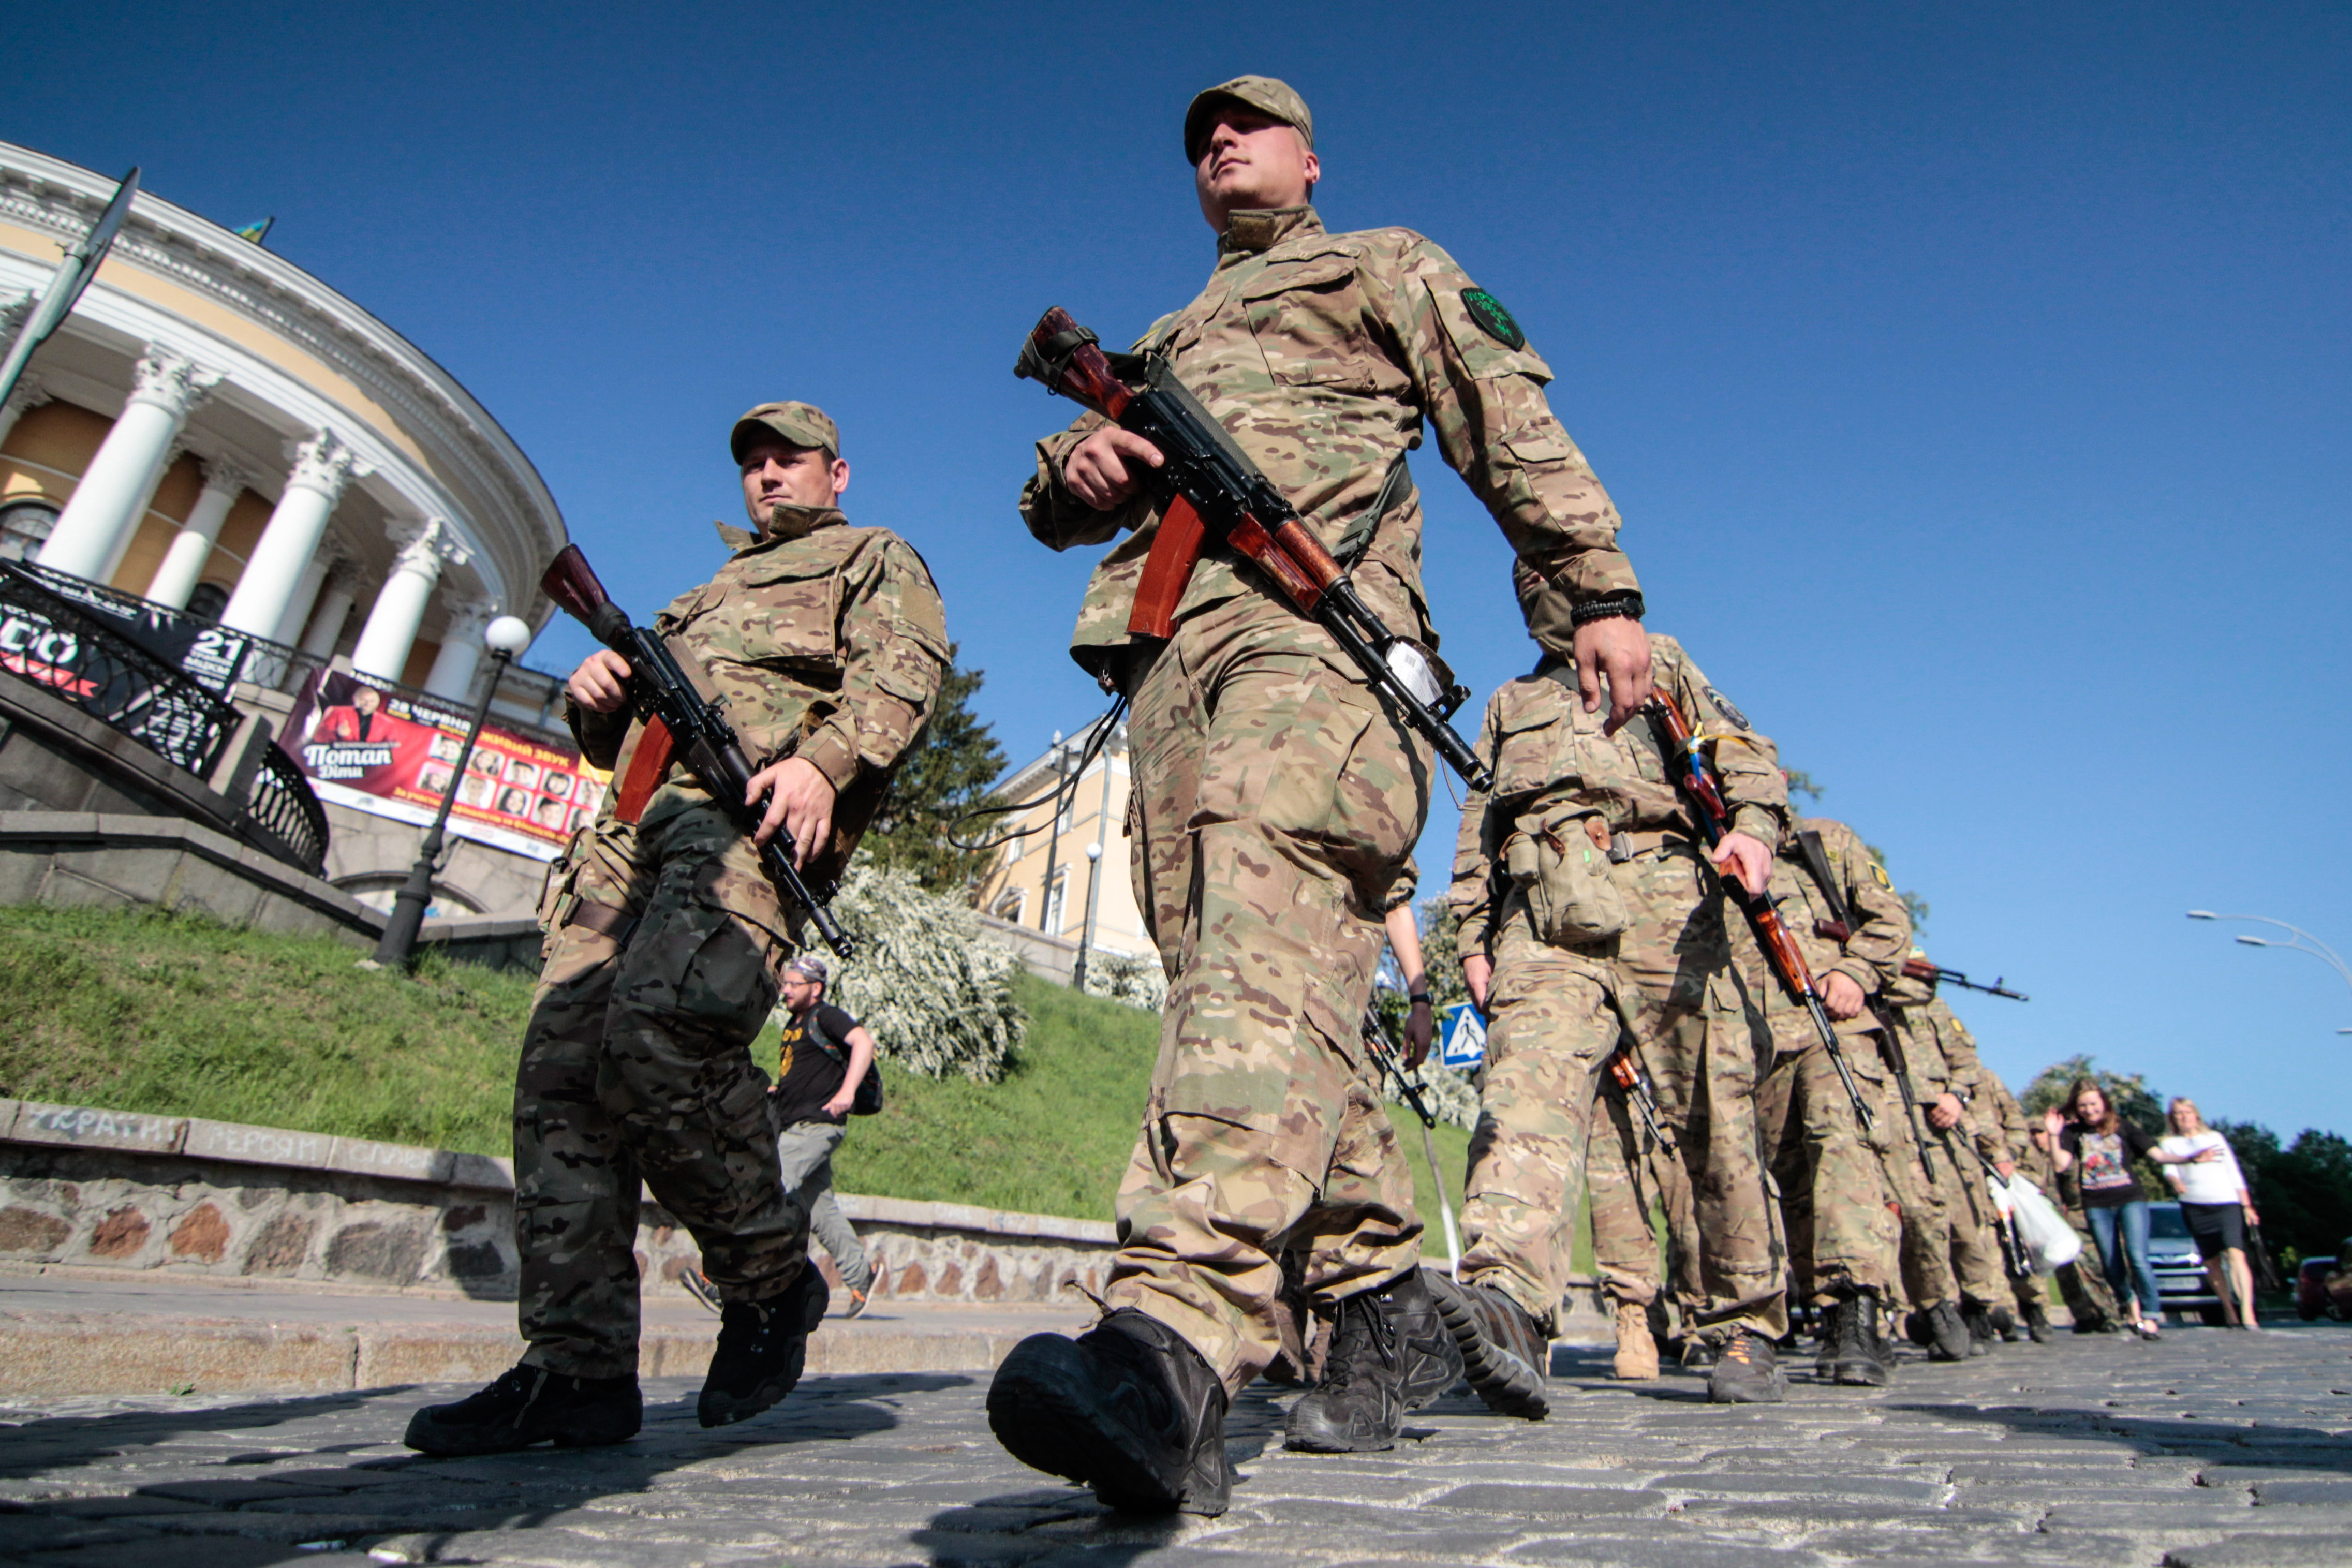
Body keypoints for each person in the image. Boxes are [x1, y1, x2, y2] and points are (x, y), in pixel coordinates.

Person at [987, 74, 1654, 1516]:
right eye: (1198, 137)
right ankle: (1369, 1299)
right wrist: (1082, 461)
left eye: (1246, 125)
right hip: (1170, 666)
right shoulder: (1167, 337)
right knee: (1235, 975)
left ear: (1308, 155)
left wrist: (1594, 584)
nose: (1217, 144)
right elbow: (1050, 504)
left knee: (1258, 956)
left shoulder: (1384, 264)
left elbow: (1504, 415)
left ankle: (1172, 1342)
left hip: (1320, 644)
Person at [403, 401, 948, 1455]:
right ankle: (575, 1369)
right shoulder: (699, 597)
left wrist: (822, 766)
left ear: (839, 473)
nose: (767, 475)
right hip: (628, 830)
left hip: (741, 827)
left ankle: (768, 1280)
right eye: (752, 462)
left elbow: (903, 673)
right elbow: (620, 735)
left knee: (658, 1035)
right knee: (561, 1080)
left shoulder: (873, 557)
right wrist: (598, 697)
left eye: (789, 459)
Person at [1447, 598, 1788, 1409]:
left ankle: (1742, 1320)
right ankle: (1509, 1306)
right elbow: (1479, 817)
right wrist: (1470, 933)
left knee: (1711, 1108)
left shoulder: (1659, 658)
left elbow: (1739, 747)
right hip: (1543, 906)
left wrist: (1753, 827)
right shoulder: (1510, 702)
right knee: (1522, 1096)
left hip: (1663, 892)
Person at [1745, 816, 1910, 1387]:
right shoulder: (1706, 844)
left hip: (1831, 1027)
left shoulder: (1822, 842)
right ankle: (1822, 1305)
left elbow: (1888, 918)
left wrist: (1856, 970)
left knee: (1843, 1156)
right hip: (1756, 1044)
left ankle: (1855, 1316)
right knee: (1791, 1186)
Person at [2046, 1079, 2215, 1339]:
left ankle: (2150, 1316)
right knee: (2111, 1263)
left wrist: (2191, 1158)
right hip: (2097, 1204)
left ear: (2104, 1103)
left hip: (2130, 1198)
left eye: (2093, 1104)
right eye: (2083, 1106)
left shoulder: (2122, 1126)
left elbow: (2158, 1155)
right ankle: (2130, 1303)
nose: (2089, 1111)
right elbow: (2060, 1165)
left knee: (2137, 1256)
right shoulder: (2074, 1132)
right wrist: (2055, 1135)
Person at [765, 955, 880, 1318]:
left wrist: (847, 1093)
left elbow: (863, 1043)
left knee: (768, 1192)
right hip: (797, 1123)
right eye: (784, 983)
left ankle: (726, 1282)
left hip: (815, 1128)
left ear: (815, 988)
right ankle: (861, 1277)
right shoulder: (793, 1025)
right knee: (821, 1212)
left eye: (793, 984)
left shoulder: (826, 1016)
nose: (785, 990)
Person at [2160, 1097, 2262, 1329]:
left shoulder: (2214, 1138)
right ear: (2173, 1118)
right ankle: (2229, 1309)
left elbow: (2233, 1171)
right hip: (2195, 1205)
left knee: (2236, 1254)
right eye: (2178, 1113)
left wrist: (2247, 1205)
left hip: (2226, 1203)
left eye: (2188, 1111)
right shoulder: (2170, 1143)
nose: (2184, 1116)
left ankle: (2247, 1310)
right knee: (2212, 1261)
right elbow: (2169, 1169)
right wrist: (2176, 1182)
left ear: (2196, 1114)